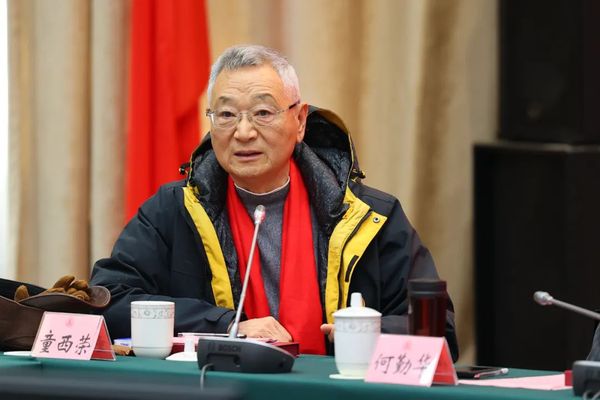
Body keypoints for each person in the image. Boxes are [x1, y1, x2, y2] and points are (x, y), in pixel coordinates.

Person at [90, 44, 459, 359]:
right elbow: (108, 301)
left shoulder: (370, 217)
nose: (243, 132)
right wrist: (227, 326)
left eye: (263, 113)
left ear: (300, 121)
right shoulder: (173, 211)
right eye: (226, 115)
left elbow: (438, 331)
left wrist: (365, 332)